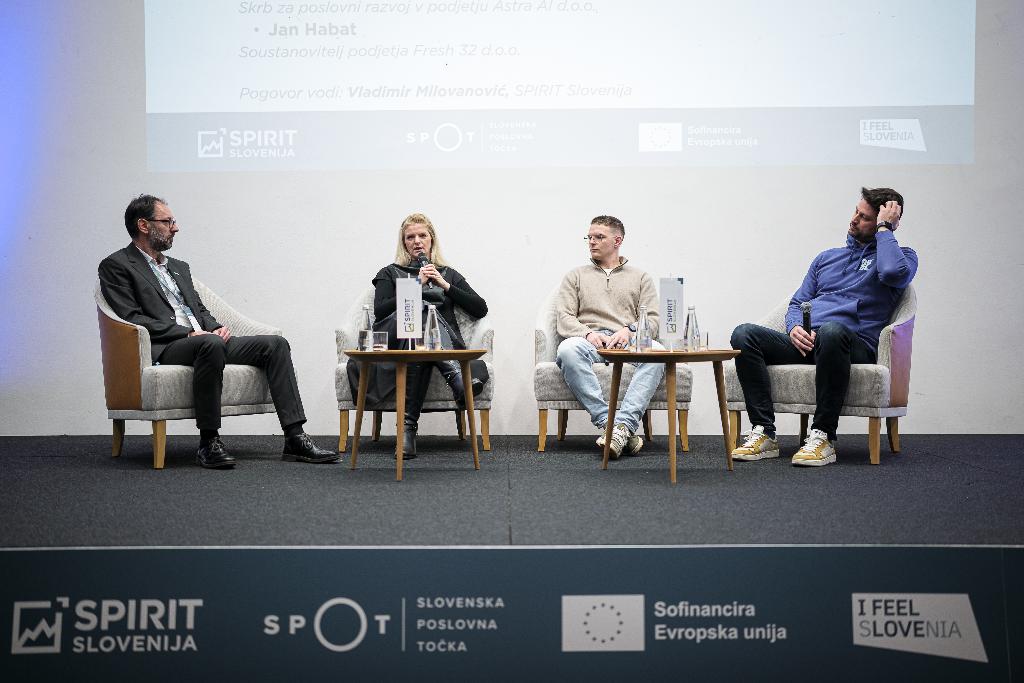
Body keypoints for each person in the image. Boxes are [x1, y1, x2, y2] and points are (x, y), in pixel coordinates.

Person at [98, 194, 338, 469]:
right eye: (167, 222)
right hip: (166, 345)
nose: (175, 228)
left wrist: (215, 327)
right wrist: (187, 334)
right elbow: (131, 317)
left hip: (203, 338)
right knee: (209, 345)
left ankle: (295, 436)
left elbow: (198, 308)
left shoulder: (178, 267)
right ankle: (209, 442)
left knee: (275, 344)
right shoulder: (117, 265)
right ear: (143, 225)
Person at [730, 187, 918, 467]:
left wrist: (884, 230)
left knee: (831, 331)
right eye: (856, 212)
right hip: (809, 343)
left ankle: (822, 436)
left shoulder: (902, 257)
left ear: (887, 222)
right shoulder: (826, 258)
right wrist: (794, 328)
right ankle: (764, 432)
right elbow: (798, 302)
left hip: (850, 345)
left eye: (865, 218)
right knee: (744, 334)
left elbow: (893, 273)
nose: (854, 219)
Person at [360, 213, 488, 457]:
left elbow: (480, 308)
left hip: (436, 346)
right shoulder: (389, 272)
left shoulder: (447, 274)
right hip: (395, 341)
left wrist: (445, 285)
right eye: (410, 237)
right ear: (404, 243)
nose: (417, 241)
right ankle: (457, 379)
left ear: (432, 240)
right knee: (418, 308)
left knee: (422, 346)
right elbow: (381, 311)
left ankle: (407, 432)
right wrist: (415, 286)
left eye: (422, 235)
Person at [554, 215, 664, 459]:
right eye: (589, 237)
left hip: (628, 341)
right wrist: (587, 333)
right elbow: (564, 317)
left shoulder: (640, 277)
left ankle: (622, 426)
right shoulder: (575, 276)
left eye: (599, 237)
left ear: (617, 240)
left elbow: (653, 320)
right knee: (567, 350)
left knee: (656, 352)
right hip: (590, 341)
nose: (592, 242)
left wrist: (630, 330)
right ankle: (613, 426)